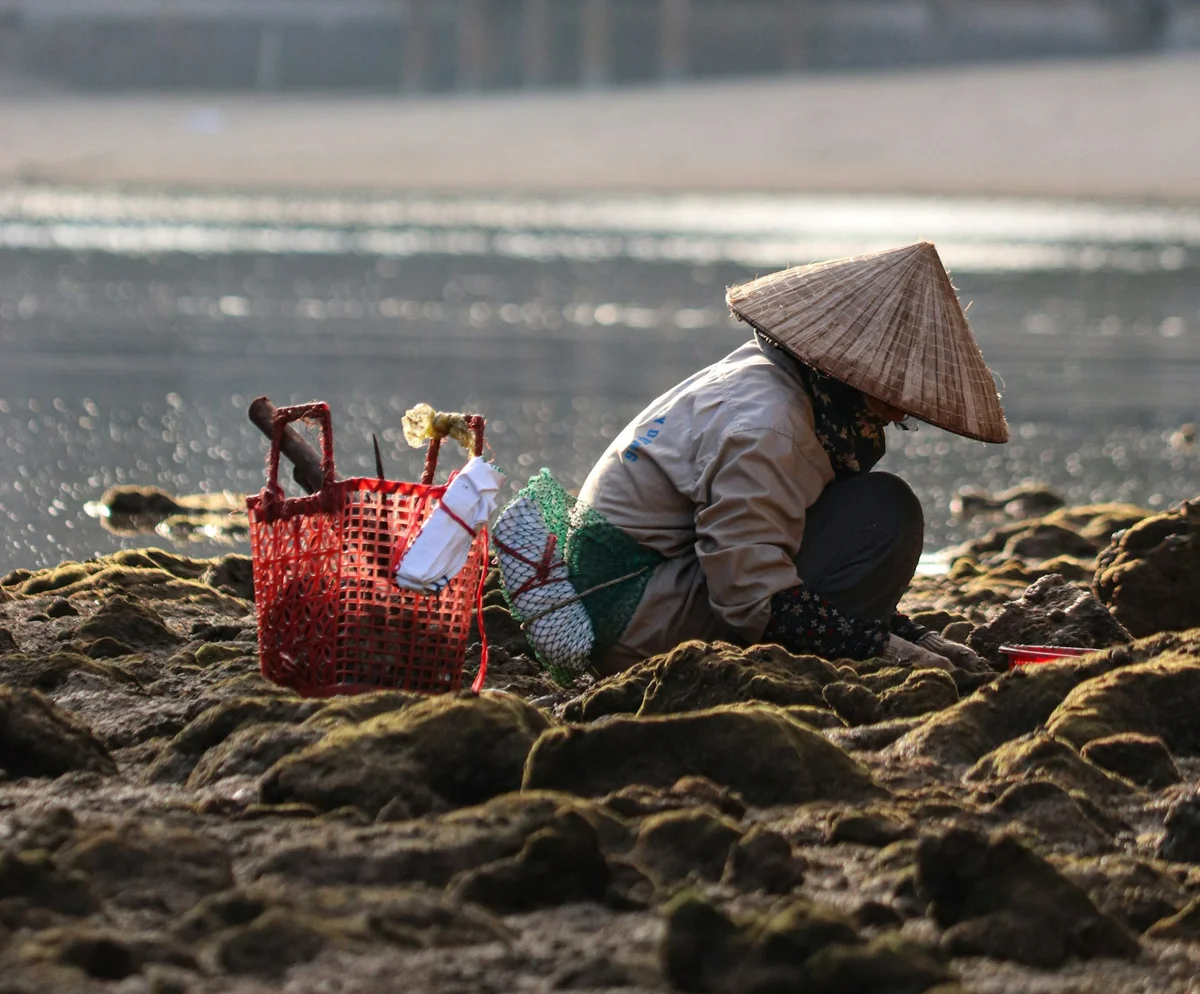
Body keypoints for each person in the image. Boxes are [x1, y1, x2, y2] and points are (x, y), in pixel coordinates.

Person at [569, 241, 1008, 675]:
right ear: (850, 374)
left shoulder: (776, 376)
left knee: (869, 506)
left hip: (654, 583)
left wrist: (915, 636)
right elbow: (750, 596)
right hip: (633, 621)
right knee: (886, 513)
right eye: (892, 396)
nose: (899, 414)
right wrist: (882, 649)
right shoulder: (770, 428)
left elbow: (770, 540)